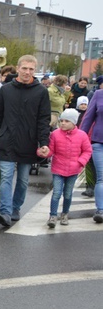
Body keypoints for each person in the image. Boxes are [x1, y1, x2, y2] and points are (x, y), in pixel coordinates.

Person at [0, 55, 51, 227]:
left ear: (34, 70)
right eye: (24, 68)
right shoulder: (6, 90)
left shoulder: (41, 92)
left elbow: (44, 120)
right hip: (7, 139)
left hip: (28, 142)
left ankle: (16, 208)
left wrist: (44, 143)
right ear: (18, 68)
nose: (27, 72)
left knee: (22, 180)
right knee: (6, 176)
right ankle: (5, 212)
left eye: (31, 69)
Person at [38, 109, 91, 228]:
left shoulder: (82, 135)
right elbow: (51, 150)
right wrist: (43, 152)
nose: (63, 123)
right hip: (58, 169)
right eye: (61, 120)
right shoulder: (55, 134)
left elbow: (87, 151)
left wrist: (80, 162)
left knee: (67, 194)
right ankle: (52, 216)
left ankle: (65, 214)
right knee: (56, 193)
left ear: (74, 123)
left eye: (66, 121)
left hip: (73, 170)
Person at [79, 86, 103, 223]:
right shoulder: (98, 95)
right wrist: (79, 139)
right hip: (98, 142)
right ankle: (100, 210)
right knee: (101, 177)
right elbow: (87, 119)